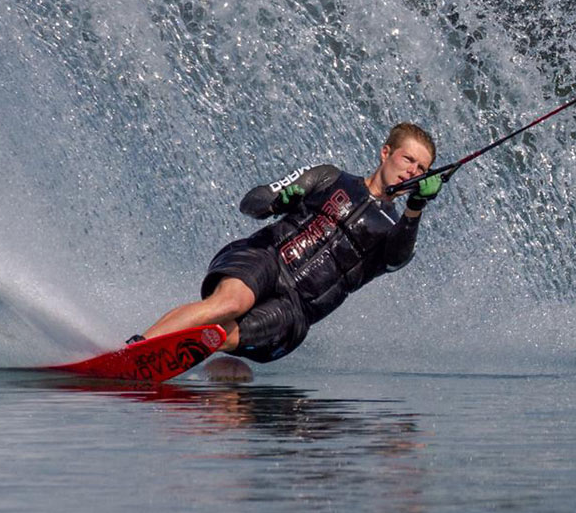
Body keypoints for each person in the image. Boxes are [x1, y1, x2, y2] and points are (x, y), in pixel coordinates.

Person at [132, 122, 443, 364]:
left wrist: (415, 208)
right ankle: (136, 347)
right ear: (386, 153)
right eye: (408, 159)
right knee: (230, 304)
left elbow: (396, 259)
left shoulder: (398, 229)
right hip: (267, 257)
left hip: (297, 308)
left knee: (221, 334)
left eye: (421, 169)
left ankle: (209, 365)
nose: (412, 171)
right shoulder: (330, 177)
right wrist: (278, 203)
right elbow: (251, 202)